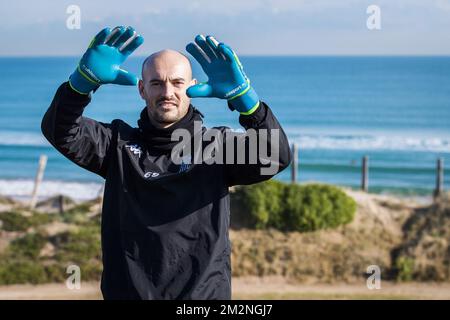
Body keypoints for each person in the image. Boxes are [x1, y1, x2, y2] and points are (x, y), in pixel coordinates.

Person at [41, 25, 291, 300]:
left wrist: (245, 100)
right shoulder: (116, 145)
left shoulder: (217, 147)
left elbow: (274, 156)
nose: (167, 91)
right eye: (157, 82)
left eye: (177, 82)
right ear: (141, 89)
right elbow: (60, 130)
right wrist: (79, 85)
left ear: (192, 88)